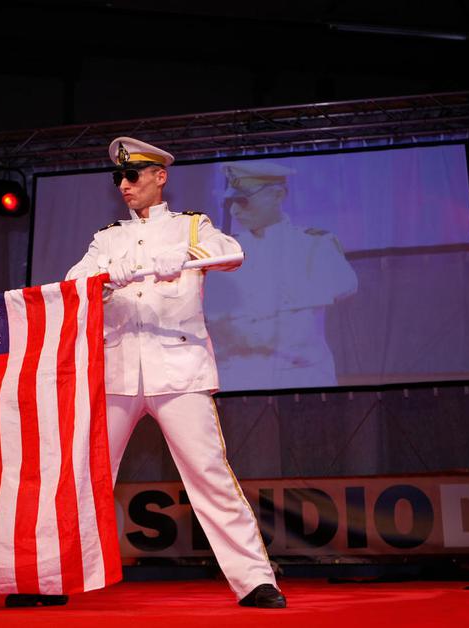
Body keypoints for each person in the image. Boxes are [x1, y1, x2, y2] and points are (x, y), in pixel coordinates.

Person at [54, 137, 285, 609]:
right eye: (118, 177)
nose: (124, 184)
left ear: (160, 177)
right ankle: (51, 578)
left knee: (209, 475)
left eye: (132, 175)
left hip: (179, 371)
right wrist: (104, 281)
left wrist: (184, 256)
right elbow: (70, 286)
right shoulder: (107, 239)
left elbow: (232, 253)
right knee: (85, 477)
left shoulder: (191, 226)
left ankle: (255, 581)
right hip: (118, 372)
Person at [205, 160, 358, 390]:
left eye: (243, 200)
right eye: (230, 202)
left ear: (278, 195)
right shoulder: (221, 253)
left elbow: (344, 286)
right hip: (239, 383)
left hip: (301, 380)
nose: (235, 211)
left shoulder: (314, 246)